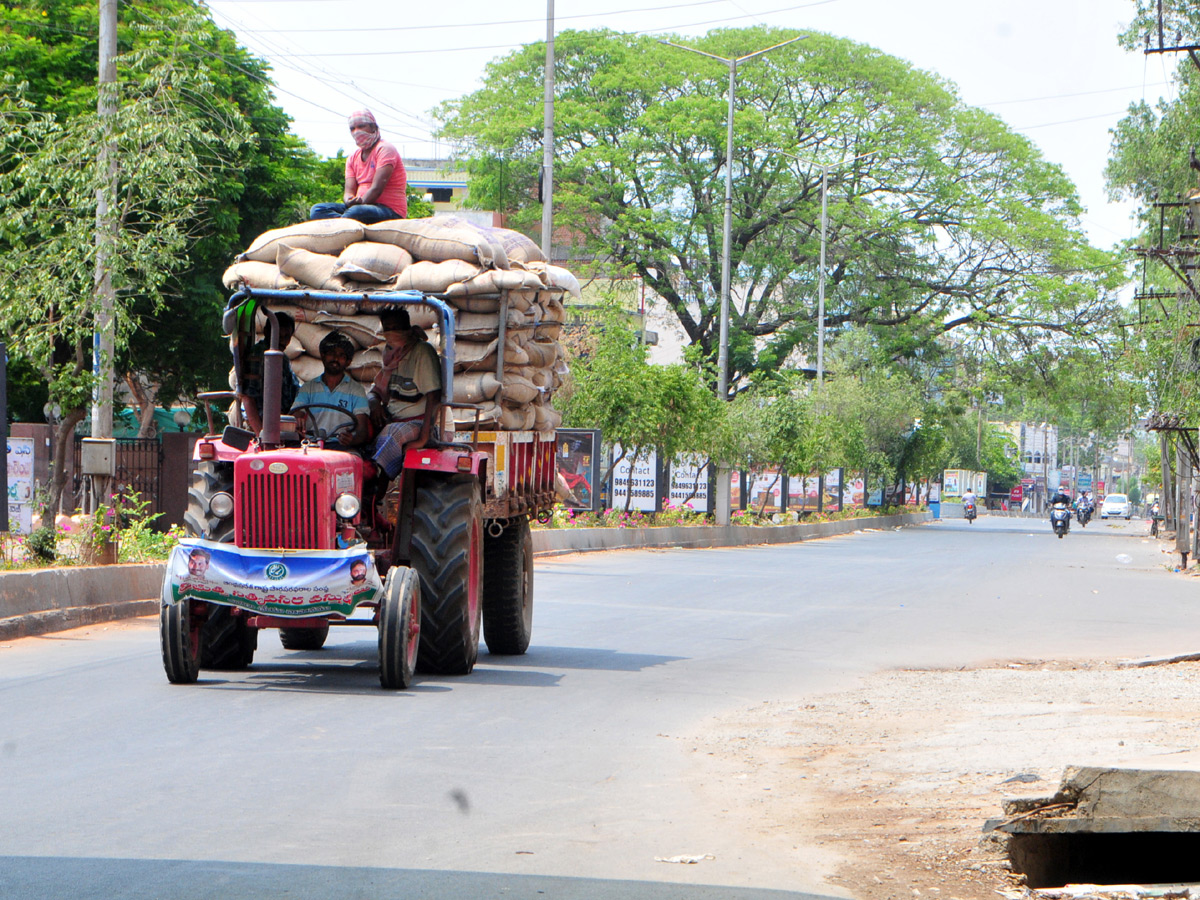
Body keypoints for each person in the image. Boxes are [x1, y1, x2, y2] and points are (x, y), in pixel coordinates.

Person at [368, 308, 442, 478]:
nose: (392, 333)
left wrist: (423, 437)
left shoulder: (422, 352)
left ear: (407, 327)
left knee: (391, 434)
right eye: (388, 328)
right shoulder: (390, 353)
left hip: (420, 422)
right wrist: (374, 404)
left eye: (397, 327)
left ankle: (377, 481)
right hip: (392, 417)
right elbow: (377, 390)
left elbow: (434, 396)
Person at [309, 109, 407, 224]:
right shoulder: (352, 158)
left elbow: (376, 189)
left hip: (388, 210)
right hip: (359, 208)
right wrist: (349, 201)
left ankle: (343, 223)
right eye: (352, 129)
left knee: (356, 212)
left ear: (373, 127)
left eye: (361, 126)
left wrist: (357, 206)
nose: (356, 132)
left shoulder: (385, 149)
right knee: (317, 210)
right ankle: (346, 222)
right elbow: (348, 192)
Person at [292, 331, 370, 447]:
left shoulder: (356, 390)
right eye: (331, 353)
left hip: (341, 446)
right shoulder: (308, 388)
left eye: (341, 355)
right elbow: (296, 414)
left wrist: (352, 439)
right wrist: (297, 421)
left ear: (348, 362)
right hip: (311, 445)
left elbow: (362, 429)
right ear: (323, 356)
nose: (335, 358)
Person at [241, 312, 299, 435]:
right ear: (267, 332)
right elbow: (248, 398)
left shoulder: (283, 359)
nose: (282, 340)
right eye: (278, 334)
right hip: (264, 426)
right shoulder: (258, 356)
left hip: (282, 423)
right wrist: (261, 435)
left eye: (286, 336)